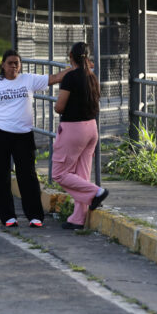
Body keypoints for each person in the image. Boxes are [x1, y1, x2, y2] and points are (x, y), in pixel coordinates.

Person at [0, 49, 71, 228]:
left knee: (27, 175)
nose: (14, 66)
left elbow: (56, 78)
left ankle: (35, 216)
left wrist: (77, 67)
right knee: (0, 175)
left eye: (17, 63)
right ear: (3, 65)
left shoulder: (28, 80)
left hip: (23, 135)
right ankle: (8, 217)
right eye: (10, 63)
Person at [51, 42, 108, 229]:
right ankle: (78, 219)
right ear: (87, 57)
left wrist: (57, 106)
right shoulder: (92, 77)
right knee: (81, 175)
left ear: (70, 56)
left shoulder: (70, 77)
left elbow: (59, 106)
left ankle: (96, 192)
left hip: (73, 129)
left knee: (59, 174)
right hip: (91, 128)